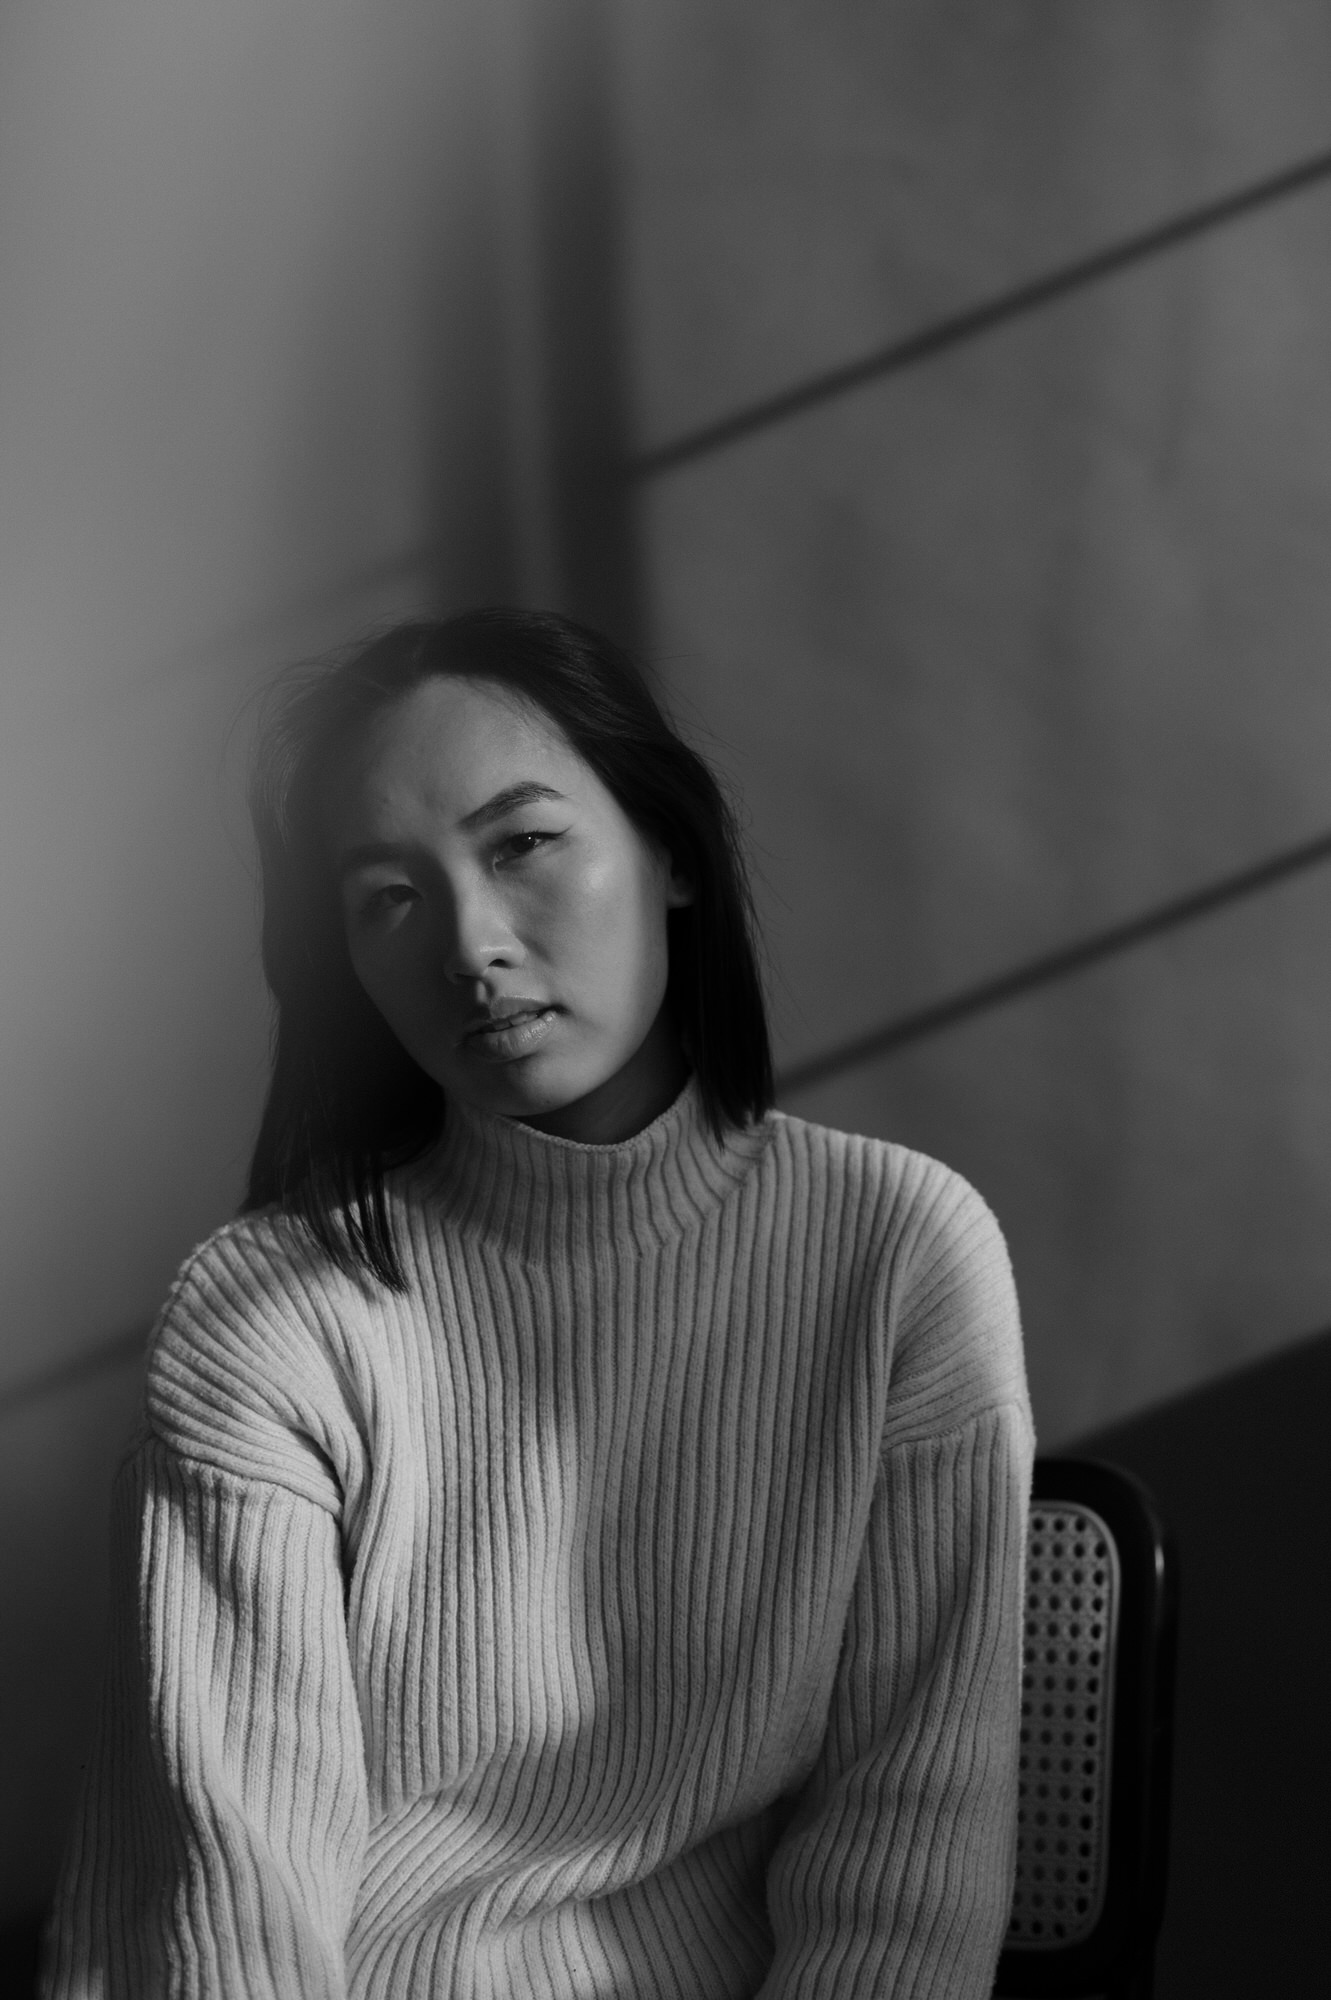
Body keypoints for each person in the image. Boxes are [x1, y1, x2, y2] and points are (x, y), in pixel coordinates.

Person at [44, 609, 1034, 1999]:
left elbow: (907, 1866)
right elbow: (237, 1910)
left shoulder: (899, 1254)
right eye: (389, 896)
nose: (471, 944)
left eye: (520, 844)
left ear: (672, 853)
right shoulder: (270, 1318)